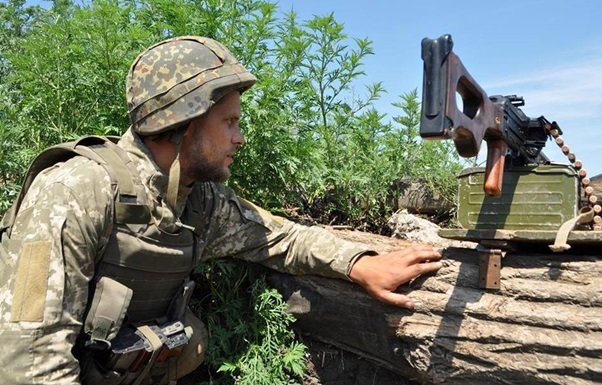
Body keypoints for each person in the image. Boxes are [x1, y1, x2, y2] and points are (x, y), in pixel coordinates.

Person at [0, 36, 443, 384]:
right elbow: (31, 359)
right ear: (183, 123)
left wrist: (359, 263)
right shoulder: (74, 191)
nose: (240, 138)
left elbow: (279, 238)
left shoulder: (198, 200)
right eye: (229, 122)